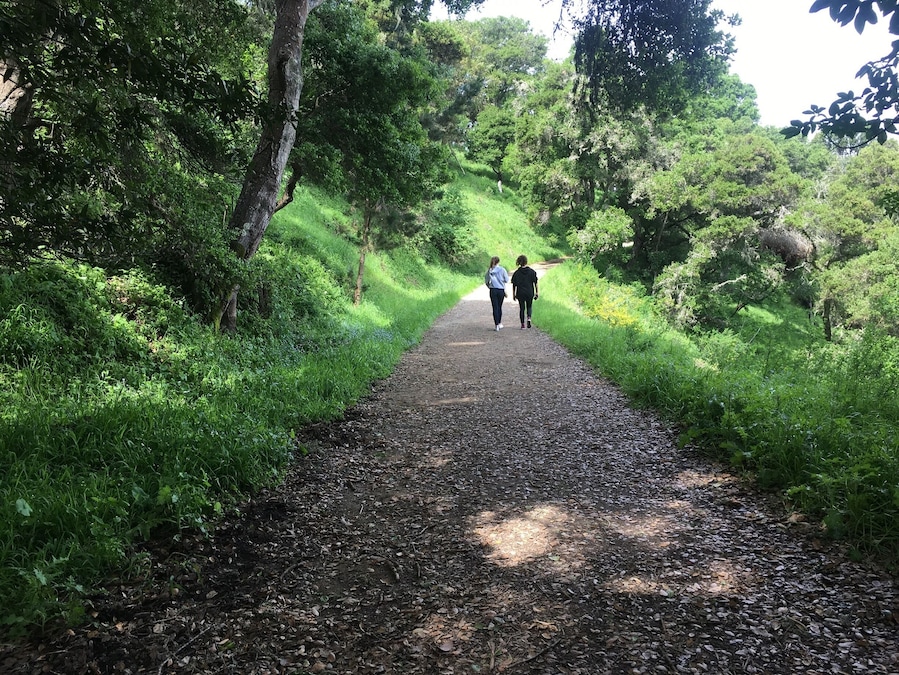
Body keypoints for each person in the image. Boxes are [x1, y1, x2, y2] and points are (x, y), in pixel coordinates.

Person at [511, 255, 539, 329]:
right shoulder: (532, 272)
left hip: (520, 293)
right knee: (529, 306)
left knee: (522, 308)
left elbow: (514, 285)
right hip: (529, 292)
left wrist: (513, 294)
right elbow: (535, 283)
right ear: (526, 261)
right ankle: (529, 318)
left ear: (519, 262)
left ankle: (522, 324)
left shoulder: (516, 273)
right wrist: (537, 292)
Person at [484, 256, 510, 330]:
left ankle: (496, 325)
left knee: (495, 307)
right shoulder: (502, 269)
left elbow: (486, 281)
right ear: (498, 262)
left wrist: (489, 286)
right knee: (499, 307)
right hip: (501, 290)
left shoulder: (489, 270)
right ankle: (499, 323)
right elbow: (507, 280)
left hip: (493, 290)